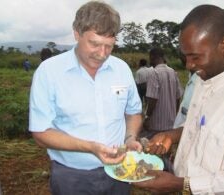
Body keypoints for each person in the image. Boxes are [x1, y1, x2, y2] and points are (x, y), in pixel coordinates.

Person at [134, 4, 224, 194]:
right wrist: (173, 135)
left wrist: (181, 184)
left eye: (195, 56)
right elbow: (201, 127)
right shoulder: (203, 84)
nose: (188, 65)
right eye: (186, 57)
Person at [29, 1, 142, 195]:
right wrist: (90, 148)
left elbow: (133, 112)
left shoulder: (121, 69)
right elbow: (41, 133)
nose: (102, 54)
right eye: (95, 44)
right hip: (71, 176)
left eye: (109, 46)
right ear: (76, 33)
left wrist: (130, 138)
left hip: (120, 171)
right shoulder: (49, 72)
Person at [142, 48, 183, 139]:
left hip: (157, 124)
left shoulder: (154, 73)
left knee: (153, 149)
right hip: (171, 123)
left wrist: (147, 117)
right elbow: (178, 97)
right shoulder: (173, 72)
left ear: (152, 57)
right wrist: (174, 115)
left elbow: (152, 99)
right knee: (165, 148)